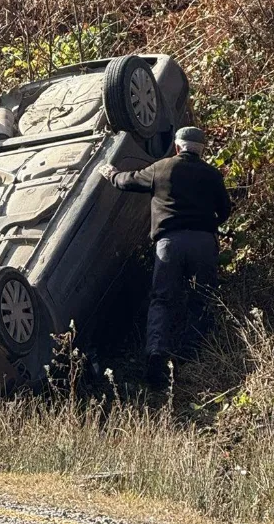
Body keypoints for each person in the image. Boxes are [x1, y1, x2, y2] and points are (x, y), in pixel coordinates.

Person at [98, 126, 231, 388]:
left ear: (177, 147)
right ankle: (193, 355)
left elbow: (128, 181)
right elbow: (225, 210)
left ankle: (157, 359)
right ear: (201, 150)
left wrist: (109, 172)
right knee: (201, 298)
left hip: (169, 244)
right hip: (203, 242)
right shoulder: (212, 174)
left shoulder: (162, 168)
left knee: (162, 300)